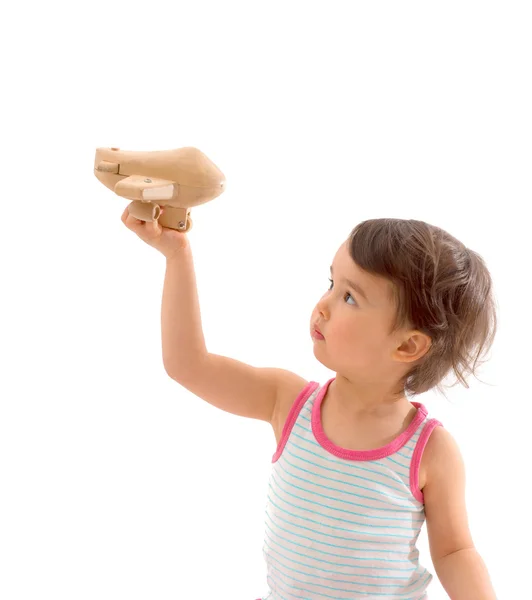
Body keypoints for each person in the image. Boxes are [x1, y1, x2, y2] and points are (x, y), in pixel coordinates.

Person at [122, 207, 498, 599]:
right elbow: (188, 365)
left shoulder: (431, 451)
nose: (323, 304)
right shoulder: (287, 402)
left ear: (407, 345)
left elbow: (455, 551)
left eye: (350, 297)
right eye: (332, 283)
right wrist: (177, 254)